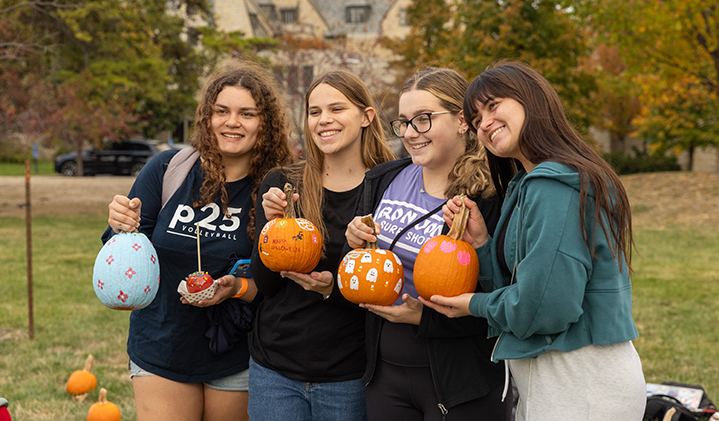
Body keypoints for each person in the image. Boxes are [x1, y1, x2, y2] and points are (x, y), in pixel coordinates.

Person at [422, 61, 646, 420]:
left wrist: (474, 304)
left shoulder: (553, 187)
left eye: (493, 105)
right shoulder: (525, 186)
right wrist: (482, 243)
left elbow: (543, 309)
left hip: (581, 384)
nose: (484, 124)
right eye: (477, 119)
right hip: (553, 382)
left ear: (531, 99)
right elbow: (523, 287)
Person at [103, 61, 294, 421]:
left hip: (239, 352)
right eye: (221, 111)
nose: (232, 122)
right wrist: (121, 224)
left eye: (247, 113)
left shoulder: (278, 189)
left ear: (265, 124)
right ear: (208, 117)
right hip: (162, 344)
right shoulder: (167, 169)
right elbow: (128, 251)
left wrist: (236, 287)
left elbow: (280, 282)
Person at [344, 67, 510, 421]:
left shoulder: (490, 196)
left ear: (463, 121)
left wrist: (425, 319)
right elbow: (363, 270)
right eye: (403, 122)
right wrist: (354, 243)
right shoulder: (383, 179)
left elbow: (505, 298)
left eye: (423, 120)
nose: (409, 133)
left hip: (460, 381)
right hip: (385, 374)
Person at [248, 70, 395, 421]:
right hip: (275, 370)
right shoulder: (284, 183)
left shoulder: (388, 187)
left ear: (366, 117)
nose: (323, 120)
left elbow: (386, 286)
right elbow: (265, 286)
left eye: (336, 109)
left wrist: (334, 288)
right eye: (315, 112)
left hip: (349, 374)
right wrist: (271, 229)